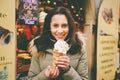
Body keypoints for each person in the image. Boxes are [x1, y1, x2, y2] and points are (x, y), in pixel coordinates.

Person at [27, 6, 88, 80]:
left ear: (70, 26)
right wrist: (45, 75)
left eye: (64, 26)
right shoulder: (39, 46)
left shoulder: (79, 48)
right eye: (55, 26)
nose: (60, 31)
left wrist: (67, 70)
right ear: (49, 27)